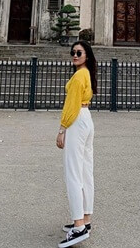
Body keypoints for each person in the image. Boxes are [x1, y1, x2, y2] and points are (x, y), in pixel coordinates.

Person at [56, 40, 97, 248]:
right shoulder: (87, 73)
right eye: (72, 52)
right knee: (85, 172)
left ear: (86, 55)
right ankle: (86, 219)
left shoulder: (79, 75)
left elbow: (70, 105)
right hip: (86, 118)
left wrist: (62, 129)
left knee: (73, 174)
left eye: (78, 52)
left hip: (76, 121)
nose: (74, 55)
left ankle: (78, 226)